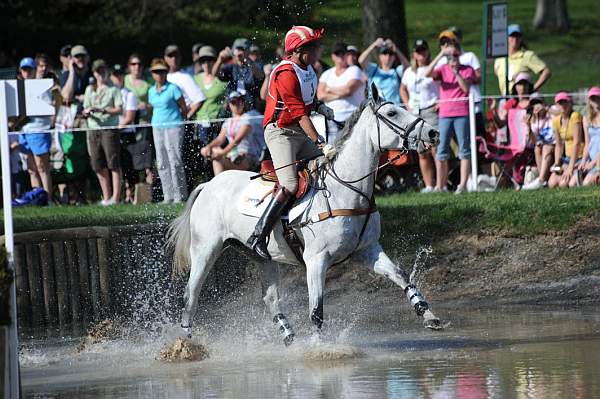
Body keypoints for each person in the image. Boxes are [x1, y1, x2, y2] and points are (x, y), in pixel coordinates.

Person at [247, 25, 335, 260]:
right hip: (280, 132)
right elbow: (298, 113)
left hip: (296, 130)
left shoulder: (309, 70)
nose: (318, 50)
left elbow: (307, 102)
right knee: (290, 183)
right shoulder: (285, 73)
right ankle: (258, 235)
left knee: (328, 165)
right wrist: (320, 143)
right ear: (299, 50)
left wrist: (320, 106)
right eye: (313, 46)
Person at [425, 43, 474, 194]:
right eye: (450, 56)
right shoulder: (442, 69)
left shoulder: (467, 69)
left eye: (455, 55)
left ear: (460, 55)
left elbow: (465, 89)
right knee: (441, 150)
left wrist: (456, 72)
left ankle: (462, 185)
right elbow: (427, 73)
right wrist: (440, 55)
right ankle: (440, 186)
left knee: (464, 150)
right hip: (445, 114)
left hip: (462, 113)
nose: (453, 58)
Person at [164, 44, 206, 190]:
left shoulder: (185, 77)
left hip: (180, 125)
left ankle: (184, 191)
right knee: (165, 160)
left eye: (176, 55)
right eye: (170, 56)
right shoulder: (163, 77)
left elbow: (199, 99)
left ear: (180, 58)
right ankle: (170, 193)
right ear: (165, 59)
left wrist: (186, 117)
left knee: (180, 159)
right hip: (164, 124)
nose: (173, 59)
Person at [400, 39, 440, 193]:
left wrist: (441, 101)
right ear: (414, 54)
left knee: (436, 148)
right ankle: (429, 185)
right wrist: (407, 103)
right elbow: (402, 88)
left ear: (428, 52)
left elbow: (443, 84)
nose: (421, 53)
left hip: (431, 110)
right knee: (421, 151)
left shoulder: (434, 68)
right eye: (418, 51)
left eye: (423, 50)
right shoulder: (409, 71)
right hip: (415, 113)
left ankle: (440, 184)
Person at [83, 59, 123, 205]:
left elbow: (119, 109)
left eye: (103, 71)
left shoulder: (114, 89)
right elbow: (85, 108)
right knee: (97, 164)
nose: (101, 74)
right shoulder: (89, 89)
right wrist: (88, 112)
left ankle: (116, 198)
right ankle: (106, 197)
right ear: (94, 73)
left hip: (109, 129)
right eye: (98, 72)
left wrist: (103, 110)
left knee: (113, 163)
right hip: (93, 128)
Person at [147, 58, 188, 203]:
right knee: (162, 162)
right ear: (152, 73)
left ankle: (179, 195)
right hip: (157, 127)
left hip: (173, 127)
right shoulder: (151, 90)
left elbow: (183, 107)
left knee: (174, 160)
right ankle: (168, 196)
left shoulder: (173, 88)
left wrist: (181, 122)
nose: (159, 74)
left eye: (162, 71)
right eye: (156, 72)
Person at [17, 57, 54, 203]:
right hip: (24, 131)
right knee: (31, 168)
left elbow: (48, 108)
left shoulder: (42, 86)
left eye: (29, 69)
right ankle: (37, 199)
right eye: (24, 70)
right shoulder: (18, 88)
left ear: (34, 70)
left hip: (39, 129)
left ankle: (48, 200)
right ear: (21, 71)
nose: (27, 72)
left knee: (42, 167)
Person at [200, 91, 263, 175]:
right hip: (231, 154)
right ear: (229, 105)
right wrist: (209, 147)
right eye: (234, 102)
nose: (237, 104)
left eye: (240, 101)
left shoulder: (248, 117)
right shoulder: (228, 121)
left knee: (217, 160)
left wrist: (222, 153)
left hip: (248, 155)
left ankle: (219, 185)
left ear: (243, 103)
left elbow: (237, 140)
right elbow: (220, 139)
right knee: (206, 151)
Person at [438, 28, 485, 138]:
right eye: (443, 42)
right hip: (449, 109)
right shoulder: (441, 61)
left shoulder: (469, 56)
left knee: (478, 140)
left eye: (450, 40)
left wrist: (464, 74)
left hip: (473, 105)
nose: (447, 44)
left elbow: (479, 78)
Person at [317, 42, 365, 143]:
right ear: (332, 56)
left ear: (347, 54)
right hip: (332, 120)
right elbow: (320, 95)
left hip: (353, 118)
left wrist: (329, 89)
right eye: (337, 53)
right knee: (334, 151)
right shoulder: (327, 74)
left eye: (343, 53)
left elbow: (348, 90)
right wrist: (340, 94)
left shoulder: (355, 70)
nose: (340, 56)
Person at [124, 53, 154, 191]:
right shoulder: (124, 80)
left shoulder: (148, 83)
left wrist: (146, 106)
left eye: (139, 64)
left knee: (146, 158)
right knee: (128, 158)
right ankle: (130, 192)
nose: (137, 67)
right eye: (133, 64)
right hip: (127, 125)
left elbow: (154, 102)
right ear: (129, 66)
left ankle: (148, 191)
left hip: (143, 124)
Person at [494, 24, 552, 95]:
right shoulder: (500, 58)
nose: (515, 39)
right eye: (512, 36)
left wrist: (533, 89)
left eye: (518, 36)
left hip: (521, 99)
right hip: (505, 98)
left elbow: (546, 72)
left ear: (521, 38)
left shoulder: (527, 55)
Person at [110, 64, 139, 203]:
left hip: (126, 133)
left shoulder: (130, 94)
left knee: (129, 167)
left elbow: (129, 117)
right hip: (112, 133)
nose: (118, 78)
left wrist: (116, 127)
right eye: (115, 75)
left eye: (120, 75)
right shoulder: (109, 93)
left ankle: (130, 195)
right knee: (115, 165)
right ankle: (119, 195)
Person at [213, 38, 265, 111]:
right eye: (237, 49)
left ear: (248, 51)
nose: (239, 52)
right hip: (233, 105)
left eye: (243, 49)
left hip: (251, 107)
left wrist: (247, 59)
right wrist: (220, 59)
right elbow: (214, 74)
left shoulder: (255, 65)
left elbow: (260, 76)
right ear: (233, 51)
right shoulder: (231, 67)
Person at [358, 37, 409, 104]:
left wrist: (395, 49)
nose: (388, 56)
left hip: (393, 110)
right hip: (376, 109)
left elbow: (407, 66)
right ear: (380, 56)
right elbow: (361, 61)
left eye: (391, 54)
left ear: (394, 57)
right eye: (384, 53)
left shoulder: (397, 71)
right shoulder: (373, 69)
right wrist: (373, 45)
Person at [548, 92, 584, 188]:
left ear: (570, 103)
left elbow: (577, 142)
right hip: (566, 159)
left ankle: (578, 174)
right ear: (556, 105)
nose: (563, 105)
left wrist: (570, 168)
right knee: (551, 184)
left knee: (563, 184)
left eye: (565, 102)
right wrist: (557, 164)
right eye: (560, 103)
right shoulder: (556, 121)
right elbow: (558, 145)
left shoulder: (575, 116)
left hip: (578, 158)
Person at [194, 46, 227, 145]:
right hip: (200, 123)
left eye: (209, 60)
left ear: (215, 61)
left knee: (217, 152)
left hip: (218, 122)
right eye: (203, 61)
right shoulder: (195, 79)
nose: (206, 63)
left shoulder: (223, 79)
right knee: (202, 153)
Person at [522, 93, 555, 190]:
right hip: (543, 150)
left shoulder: (551, 114)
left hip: (555, 147)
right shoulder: (533, 120)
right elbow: (535, 141)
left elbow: (561, 113)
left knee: (545, 147)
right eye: (533, 104)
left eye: (538, 102)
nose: (536, 106)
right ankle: (542, 180)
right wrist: (528, 127)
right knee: (538, 148)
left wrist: (546, 109)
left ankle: (541, 180)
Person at [581, 87, 600, 186]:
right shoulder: (587, 118)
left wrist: (593, 163)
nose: (595, 100)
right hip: (591, 159)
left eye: (597, 97)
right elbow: (587, 143)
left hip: (598, 160)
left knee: (587, 183)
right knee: (575, 183)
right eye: (593, 98)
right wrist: (584, 160)